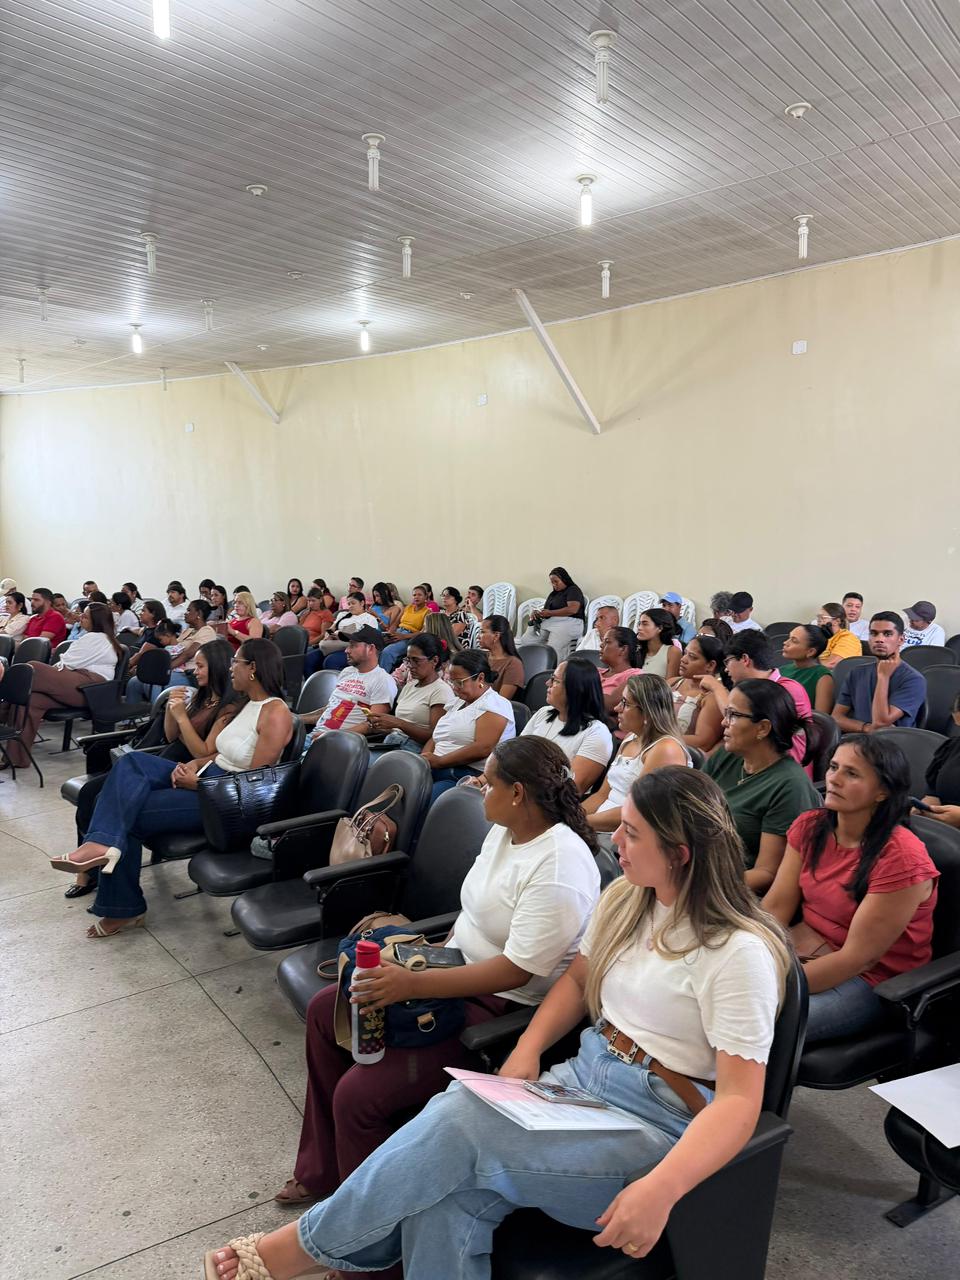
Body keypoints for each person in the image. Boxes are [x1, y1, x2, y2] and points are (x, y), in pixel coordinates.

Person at [205, 766, 789, 1280]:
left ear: (681, 853)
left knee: (460, 1119)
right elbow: (580, 981)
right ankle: (322, 1250)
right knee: (445, 1198)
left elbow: (738, 1104)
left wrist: (663, 1189)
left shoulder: (737, 952)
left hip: (656, 1122)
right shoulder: (630, 899)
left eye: (632, 833)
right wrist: (527, 1052)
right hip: (583, 1080)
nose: (617, 840)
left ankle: (291, 1255)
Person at [272, 735, 601, 1217]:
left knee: (358, 1097)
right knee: (328, 1011)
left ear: (518, 794)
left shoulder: (559, 866)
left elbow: (515, 969)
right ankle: (325, 1172)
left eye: (488, 783)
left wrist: (411, 984)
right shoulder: (505, 829)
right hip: (447, 971)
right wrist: (418, 958)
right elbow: (472, 914)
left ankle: (369, 1242)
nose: (477, 787)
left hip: (497, 1009)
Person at [49, 639, 294, 936]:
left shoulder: (275, 712)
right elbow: (227, 751)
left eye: (236, 662)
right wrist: (198, 762)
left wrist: (200, 783)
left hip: (226, 802)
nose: (231, 668)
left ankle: (122, 907)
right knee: (133, 763)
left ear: (253, 668)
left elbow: (257, 783)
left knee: (130, 815)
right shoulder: (248, 704)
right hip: (210, 776)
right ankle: (101, 845)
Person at [763, 736, 937, 1043]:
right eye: (833, 767)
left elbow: (859, 958)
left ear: (882, 792)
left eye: (851, 774)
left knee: (754, 1022)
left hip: (871, 980)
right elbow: (776, 907)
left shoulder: (902, 858)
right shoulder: (811, 825)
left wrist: (767, 983)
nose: (833, 779)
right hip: (808, 947)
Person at [65, 640, 237, 900]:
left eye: (201, 666)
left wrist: (181, 717)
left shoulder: (228, 708)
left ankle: (96, 872)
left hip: (179, 770)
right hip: (163, 759)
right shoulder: (201, 697)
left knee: (103, 799)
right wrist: (173, 710)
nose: (195, 671)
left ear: (218, 668)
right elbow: (170, 737)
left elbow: (202, 751)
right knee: (89, 794)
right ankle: (92, 866)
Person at [704, 680, 820, 893]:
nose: (723, 722)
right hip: (698, 866)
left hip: (732, 890)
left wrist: (702, 886)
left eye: (733, 715)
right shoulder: (727, 756)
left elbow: (766, 873)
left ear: (763, 728)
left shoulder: (789, 786)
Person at [3, 602, 121, 768]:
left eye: (85, 616)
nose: (81, 618)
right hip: (76, 683)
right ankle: (16, 758)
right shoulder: (95, 637)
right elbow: (66, 664)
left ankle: (3, 706)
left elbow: (66, 663)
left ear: (97, 621)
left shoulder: (97, 638)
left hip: (89, 688)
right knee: (32, 701)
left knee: (33, 668)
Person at [583, 675, 691, 832]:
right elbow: (602, 796)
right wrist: (570, 817)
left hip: (628, 835)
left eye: (625, 704)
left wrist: (580, 823)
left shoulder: (666, 749)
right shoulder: (631, 737)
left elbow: (638, 811)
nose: (617, 708)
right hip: (599, 825)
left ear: (647, 713)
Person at [699, 630, 812, 769]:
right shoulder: (748, 690)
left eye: (728, 661)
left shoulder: (785, 689)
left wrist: (716, 687)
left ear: (745, 659)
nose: (727, 670)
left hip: (781, 770)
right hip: (752, 763)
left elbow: (737, 718)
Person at [421, 650, 515, 802]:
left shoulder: (495, 704)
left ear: (480, 678)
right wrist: (423, 761)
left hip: (464, 775)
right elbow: (436, 737)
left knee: (425, 800)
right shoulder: (457, 702)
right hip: (437, 768)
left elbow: (483, 748)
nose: (454, 687)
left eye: (459, 682)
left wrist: (439, 761)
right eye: (451, 682)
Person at [520, 658, 612, 794]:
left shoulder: (596, 733)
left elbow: (571, 788)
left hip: (548, 801)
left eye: (555, 680)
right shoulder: (543, 713)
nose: (547, 683)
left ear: (574, 689)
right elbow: (517, 753)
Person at [833, 612, 927, 733]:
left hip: (893, 746)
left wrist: (883, 677)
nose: (879, 639)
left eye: (888, 634)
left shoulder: (914, 679)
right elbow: (836, 718)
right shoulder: (856, 673)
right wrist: (866, 728)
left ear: (901, 639)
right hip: (858, 740)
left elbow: (881, 722)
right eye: (873, 634)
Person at [303, 628, 397, 741]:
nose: (346, 650)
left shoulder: (383, 680)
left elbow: (372, 725)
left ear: (371, 649)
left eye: (353, 646)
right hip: (315, 735)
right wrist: (297, 718)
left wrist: (330, 736)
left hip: (338, 742)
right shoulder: (347, 672)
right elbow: (330, 709)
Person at [366, 634, 455, 752]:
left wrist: (399, 723)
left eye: (416, 660)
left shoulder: (441, 691)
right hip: (392, 742)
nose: (410, 666)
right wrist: (382, 725)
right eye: (408, 660)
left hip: (413, 748)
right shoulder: (410, 686)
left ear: (434, 660)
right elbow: (399, 728)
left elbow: (435, 737)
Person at [668, 635, 727, 751]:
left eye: (692, 657)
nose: (683, 659)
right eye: (685, 653)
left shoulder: (713, 696)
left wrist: (659, 738)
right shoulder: (672, 682)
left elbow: (702, 742)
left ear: (710, 665)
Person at [518, 568, 586, 662]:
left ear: (564, 579)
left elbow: (573, 609)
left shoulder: (573, 590)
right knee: (527, 640)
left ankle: (553, 671)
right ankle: (532, 664)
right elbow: (547, 611)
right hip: (551, 622)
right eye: (552, 582)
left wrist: (550, 613)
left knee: (553, 647)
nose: (554, 584)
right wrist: (538, 613)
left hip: (570, 623)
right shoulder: (553, 594)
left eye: (556, 581)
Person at [312, 593, 381, 673]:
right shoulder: (343, 615)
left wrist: (343, 636)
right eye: (349, 604)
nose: (350, 606)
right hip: (333, 642)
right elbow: (331, 629)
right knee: (309, 659)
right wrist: (329, 635)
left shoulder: (369, 619)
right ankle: (314, 684)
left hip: (352, 646)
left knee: (330, 661)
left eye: (353, 603)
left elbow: (369, 640)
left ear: (362, 603)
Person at [779, 625, 835, 713]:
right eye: (788, 638)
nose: (785, 643)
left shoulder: (822, 676)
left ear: (810, 652)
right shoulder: (781, 670)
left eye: (794, 641)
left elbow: (822, 719)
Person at [380, 584, 431, 673]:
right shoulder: (408, 608)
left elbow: (423, 632)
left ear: (426, 597)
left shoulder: (428, 612)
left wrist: (404, 636)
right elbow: (396, 623)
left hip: (411, 637)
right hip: (398, 632)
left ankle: (381, 679)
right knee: (375, 644)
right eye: (414, 595)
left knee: (387, 652)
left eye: (419, 595)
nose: (416, 597)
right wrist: (390, 633)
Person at [597, 626, 643, 717]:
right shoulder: (596, 671)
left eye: (607, 642)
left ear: (623, 649)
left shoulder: (636, 676)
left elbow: (610, 704)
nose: (601, 645)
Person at [478, 614, 524, 699]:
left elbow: (502, 701)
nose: (478, 636)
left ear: (496, 636)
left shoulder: (513, 664)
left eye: (482, 632)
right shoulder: (482, 657)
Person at [636, 609, 681, 679]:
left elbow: (671, 684)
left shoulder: (672, 652)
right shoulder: (636, 650)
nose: (639, 628)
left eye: (645, 624)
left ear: (660, 628)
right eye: (639, 624)